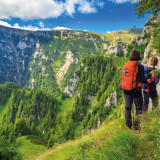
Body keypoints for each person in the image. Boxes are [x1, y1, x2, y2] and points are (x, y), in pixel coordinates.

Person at [120, 50, 150, 129]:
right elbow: (143, 80)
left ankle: (128, 126)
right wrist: (147, 81)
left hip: (126, 90)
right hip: (136, 90)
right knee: (138, 108)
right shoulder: (140, 66)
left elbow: (123, 78)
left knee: (128, 107)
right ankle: (136, 126)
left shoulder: (126, 65)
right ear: (138, 57)